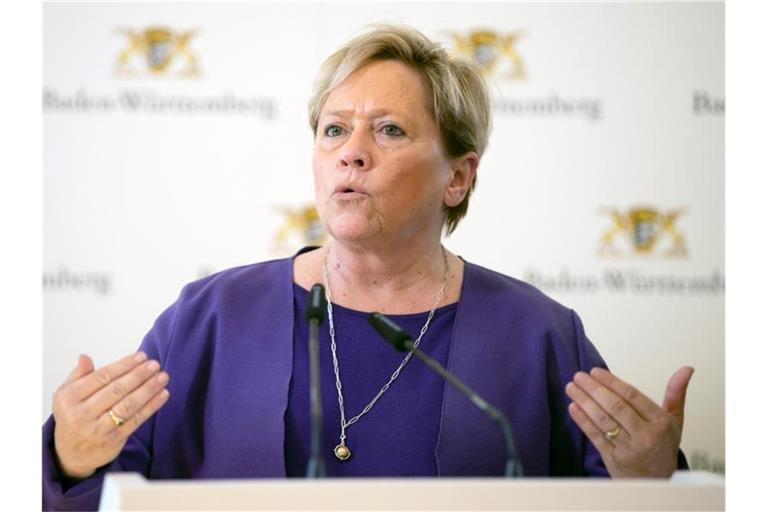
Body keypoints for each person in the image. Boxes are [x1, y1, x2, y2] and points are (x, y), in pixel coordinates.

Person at [42, 25, 694, 510]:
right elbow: (92, 489)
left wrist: (656, 480)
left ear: (458, 177)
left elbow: (626, 495)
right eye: (333, 130)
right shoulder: (210, 317)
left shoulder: (537, 335)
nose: (351, 153)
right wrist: (69, 458)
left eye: (388, 131)